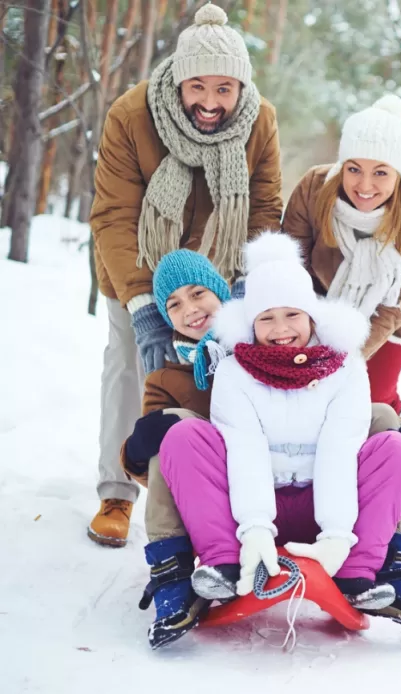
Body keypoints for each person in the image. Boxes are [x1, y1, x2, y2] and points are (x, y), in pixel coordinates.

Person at [120, 248, 401, 648]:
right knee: (177, 430)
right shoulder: (169, 376)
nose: (190, 309)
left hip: (315, 486)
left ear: (222, 296)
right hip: (225, 499)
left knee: (386, 423)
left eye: (197, 294)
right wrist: (138, 449)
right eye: (174, 305)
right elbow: (165, 469)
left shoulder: (326, 357)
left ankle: (384, 565)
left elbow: (348, 435)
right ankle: (180, 574)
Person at [88, 2, 283, 548]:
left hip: (220, 271)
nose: (210, 102)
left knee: (222, 377)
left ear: (241, 88)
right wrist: (144, 306)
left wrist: (246, 285)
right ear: (178, 80)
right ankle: (116, 491)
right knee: (132, 362)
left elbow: (265, 206)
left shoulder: (259, 119)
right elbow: (113, 215)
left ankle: (212, 495)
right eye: (199, 87)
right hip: (140, 266)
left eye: (225, 90)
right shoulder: (132, 114)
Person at [280, 94, 401, 626]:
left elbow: (397, 302)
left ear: (399, 174)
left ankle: (393, 558)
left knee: (374, 413)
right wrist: (303, 347)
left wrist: (344, 358)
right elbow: (289, 270)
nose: (364, 184)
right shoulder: (314, 187)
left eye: (381, 172)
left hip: (387, 322)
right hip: (314, 308)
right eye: (353, 168)